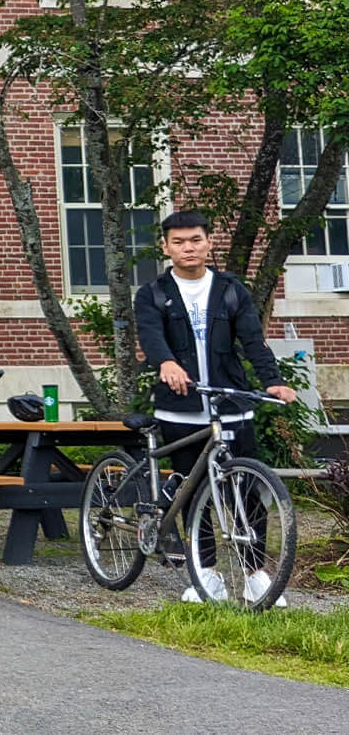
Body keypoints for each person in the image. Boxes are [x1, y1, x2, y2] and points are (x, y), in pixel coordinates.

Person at [134, 210, 296, 605]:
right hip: (180, 411)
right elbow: (152, 336)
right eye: (178, 242)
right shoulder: (153, 293)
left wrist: (272, 380)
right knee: (193, 494)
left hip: (232, 406)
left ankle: (255, 573)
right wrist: (167, 363)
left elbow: (254, 342)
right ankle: (204, 573)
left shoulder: (230, 290)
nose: (188, 248)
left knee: (244, 492)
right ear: (166, 247)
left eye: (195, 240)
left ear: (209, 242)